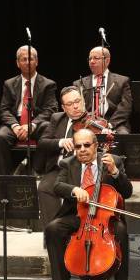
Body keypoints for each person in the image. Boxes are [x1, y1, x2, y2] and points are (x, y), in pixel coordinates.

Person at [44, 129, 133, 280]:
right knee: (52, 229)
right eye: (78, 146)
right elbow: (57, 186)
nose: (82, 149)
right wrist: (74, 189)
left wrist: (115, 172)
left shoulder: (113, 162)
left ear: (96, 145)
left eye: (86, 145)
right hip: (79, 215)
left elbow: (127, 191)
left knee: (121, 231)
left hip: (106, 217)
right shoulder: (68, 164)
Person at [0, 45, 58, 175]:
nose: (27, 62)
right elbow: (4, 110)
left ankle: (38, 171)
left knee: (48, 129)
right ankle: (6, 177)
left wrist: (32, 125)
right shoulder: (9, 84)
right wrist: (16, 126)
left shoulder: (48, 84)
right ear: (17, 63)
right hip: (15, 123)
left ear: (37, 61)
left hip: (37, 123)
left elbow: (51, 109)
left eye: (31, 59)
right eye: (23, 59)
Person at [36, 86, 88, 230]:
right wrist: (60, 142)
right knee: (44, 188)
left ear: (83, 100)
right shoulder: (57, 118)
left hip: (81, 172)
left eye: (78, 101)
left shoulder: (92, 122)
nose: (76, 106)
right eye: (70, 104)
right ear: (64, 108)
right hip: (58, 169)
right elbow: (43, 142)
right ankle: (54, 233)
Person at [73, 47, 132, 134]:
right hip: (88, 123)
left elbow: (126, 107)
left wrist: (109, 124)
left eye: (96, 58)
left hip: (114, 123)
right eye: (90, 59)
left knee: (123, 135)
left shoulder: (122, 81)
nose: (92, 61)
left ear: (107, 61)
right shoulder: (78, 83)